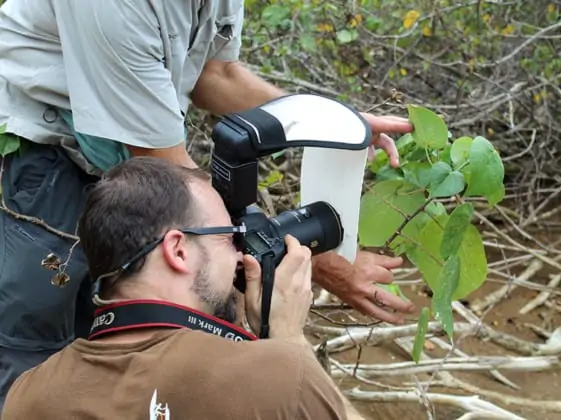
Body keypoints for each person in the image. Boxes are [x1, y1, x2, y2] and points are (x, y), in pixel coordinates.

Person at [0, 0, 415, 408]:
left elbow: (216, 74)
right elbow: (168, 173)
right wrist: (310, 259)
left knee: (154, 334)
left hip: (120, 160)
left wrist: (317, 118)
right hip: (45, 156)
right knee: (38, 345)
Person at [1, 156, 369, 419]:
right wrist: (289, 339)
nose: (241, 260)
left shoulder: (28, 393)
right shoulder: (277, 379)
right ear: (178, 249)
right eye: (230, 239)